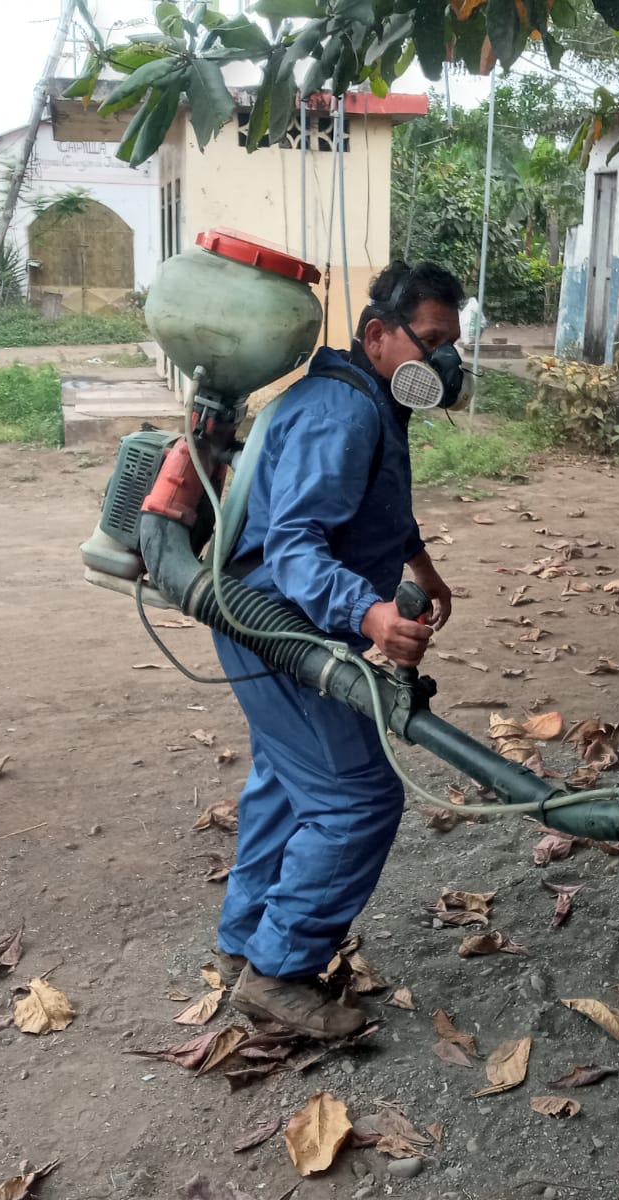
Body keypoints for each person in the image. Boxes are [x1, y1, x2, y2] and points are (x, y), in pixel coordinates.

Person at [209, 260, 465, 1038]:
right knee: (358, 797)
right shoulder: (342, 411)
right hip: (278, 624)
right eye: (431, 342)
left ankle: (244, 941)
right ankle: (279, 973)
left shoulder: (368, 398)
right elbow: (293, 543)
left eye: (450, 345)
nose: (443, 362)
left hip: (265, 620)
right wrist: (370, 614)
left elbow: (374, 501)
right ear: (377, 333)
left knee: (286, 783)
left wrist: (419, 567)